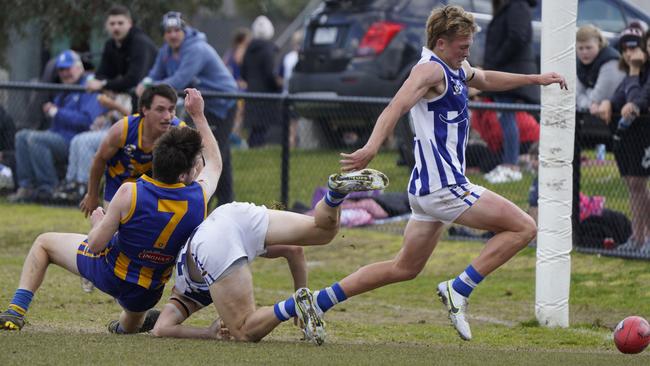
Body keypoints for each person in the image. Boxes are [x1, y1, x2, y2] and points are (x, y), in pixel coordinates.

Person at [309, 5, 566, 341]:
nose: (467, 52)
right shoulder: (429, 71)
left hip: (427, 190)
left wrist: (535, 79)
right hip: (444, 187)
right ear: (441, 43)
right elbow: (396, 106)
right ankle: (459, 288)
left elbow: (485, 77)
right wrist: (372, 147)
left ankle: (318, 301)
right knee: (524, 227)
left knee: (404, 268)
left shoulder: (454, 67)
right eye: (463, 46)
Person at [0, 88, 221, 333]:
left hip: (110, 273)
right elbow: (215, 163)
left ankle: (15, 311)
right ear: (186, 174)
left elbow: (95, 245)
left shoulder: (130, 192)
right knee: (132, 319)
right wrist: (198, 116)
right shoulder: (198, 197)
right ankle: (124, 327)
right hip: (150, 290)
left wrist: (98, 221)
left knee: (43, 243)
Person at [150, 169, 388, 344]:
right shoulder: (193, 272)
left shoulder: (183, 293)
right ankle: (334, 195)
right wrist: (301, 292)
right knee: (323, 231)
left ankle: (292, 306)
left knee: (243, 330)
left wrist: (207, 333)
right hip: (230, 213)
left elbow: (161, 328)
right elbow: (293, 249)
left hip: (213, 240)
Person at [136, 11, 238, 206]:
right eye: (168, 31)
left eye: (176, 30)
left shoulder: (196, 49)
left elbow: (179, 80)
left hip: (222, 104)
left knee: (212, 152)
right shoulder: (166, 51)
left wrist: (148, 87)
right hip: (200, 105)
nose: (172, 35)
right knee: (217, 152)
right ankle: (224, 202)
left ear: (184, 30)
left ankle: (209, 202)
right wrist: (146, 82)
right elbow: (154, 74)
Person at [8, 50, 106, 203]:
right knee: (22, 136)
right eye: (61, 69)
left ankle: (50, 188)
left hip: (76, 141)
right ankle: (26, 187)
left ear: (79, 68)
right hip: (57, 135)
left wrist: (57, 112)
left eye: (68, 68)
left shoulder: (88, 86)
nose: (65, 73)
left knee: (35, 139)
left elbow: (87, 121)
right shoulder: (63, 88)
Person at [79, 84, 186, 217]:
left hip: (154, 189)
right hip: (118, 186)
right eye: (160, 110)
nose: (168, 116)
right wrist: (92, 195)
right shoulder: (123, 130)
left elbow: (196, 161)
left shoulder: (179, 131)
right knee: (110, 234)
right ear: (145, 110)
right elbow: (99, 159)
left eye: (171, 110)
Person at [594, 25, 650, 253]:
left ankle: (646, 239)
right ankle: (637, 238)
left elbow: (638, 101)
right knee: (634, 186)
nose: (629, 54)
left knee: (640, 185)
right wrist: (607, 103)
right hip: (631, 139)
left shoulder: (639, 72)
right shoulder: (633, 73)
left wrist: (635, 71)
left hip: (644, 136)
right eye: (625, 49)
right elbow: (621, 97)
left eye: (634, 48)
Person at [482, 0, 539, 184]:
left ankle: (511, 165)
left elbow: (518, 36)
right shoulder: (510, 6)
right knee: (506, 118)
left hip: (510, 72)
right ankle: (510, 162)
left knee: (507, 118)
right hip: (506, 71)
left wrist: (496, 61)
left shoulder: (517, 5)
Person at [53, 93, 132, 205]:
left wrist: (114, 105)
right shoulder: (107, 93)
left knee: (84, 141)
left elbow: (133, 120)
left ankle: (83, 184)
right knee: (77, 139)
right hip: (106, 130)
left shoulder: (129, 94)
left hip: (122, 135)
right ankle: (71, 181)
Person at [85, 4, 157, 109]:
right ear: (106, 25)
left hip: (153, 100)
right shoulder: (110, 44)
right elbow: (102, 74)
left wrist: (104, 85)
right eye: (112, 23)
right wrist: (103, 84)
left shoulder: (140, 42)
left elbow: (134, 79)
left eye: (120, 23)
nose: (116, 27)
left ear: (130, 23)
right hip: (132, 100)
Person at [241, 15, 283, 148]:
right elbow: (270, 73)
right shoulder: (268, 50)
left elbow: (243, 72)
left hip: (252, 92)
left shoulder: (249, 49)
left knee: (255, 128)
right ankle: (256, 147)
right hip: (266, 95)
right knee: (262, 127)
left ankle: (252, 147)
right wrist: (277, 86)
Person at [576, 24, 625, 115]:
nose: (584, 52)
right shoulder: (580, 64)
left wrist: (587, 93)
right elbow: (575, 96)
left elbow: (599, 99)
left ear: (599, 44)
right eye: (580, 48)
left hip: (616, 116)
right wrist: (589, 100)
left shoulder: (611, 62)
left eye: (588, 47)